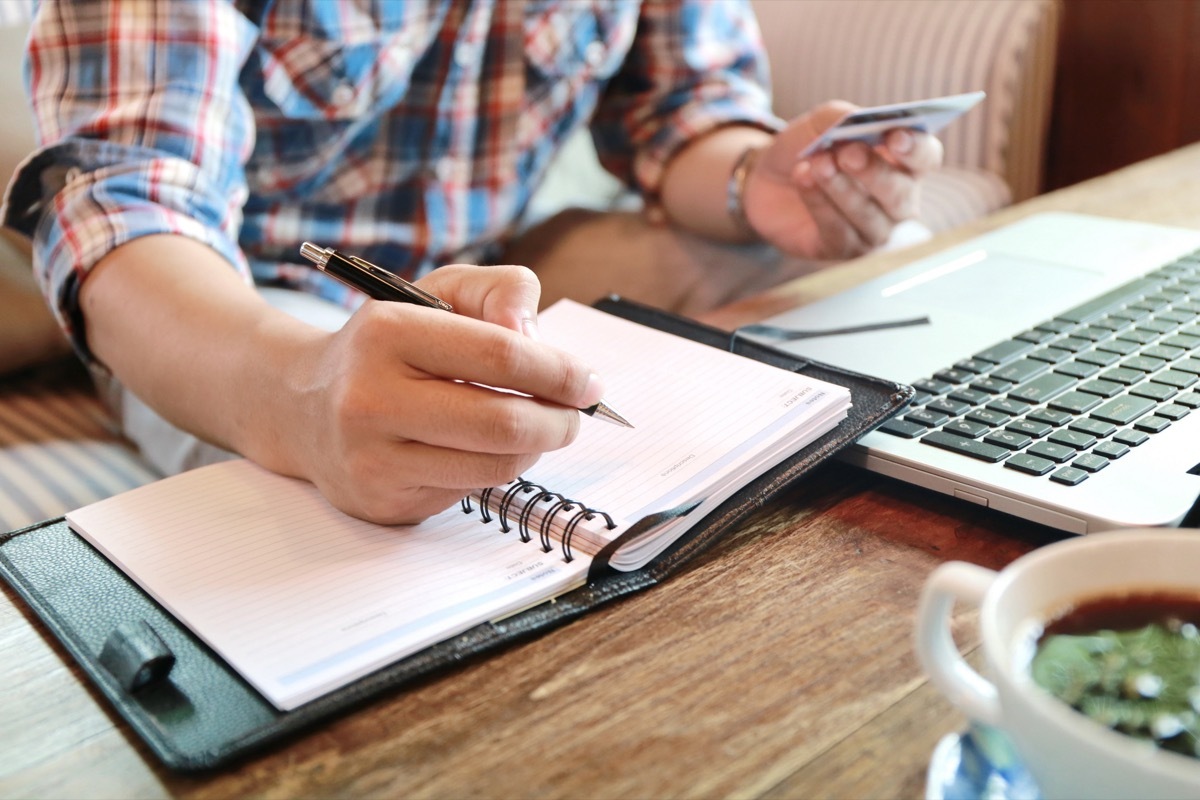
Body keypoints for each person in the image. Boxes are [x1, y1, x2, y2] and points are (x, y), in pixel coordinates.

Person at [1, 0, 942, 524]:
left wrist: (752, 180)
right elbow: (129, 209)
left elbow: (683, 105)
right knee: (396, 487)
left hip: (501, 261)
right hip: (241, 294)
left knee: (877, 284)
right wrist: (303, 392)